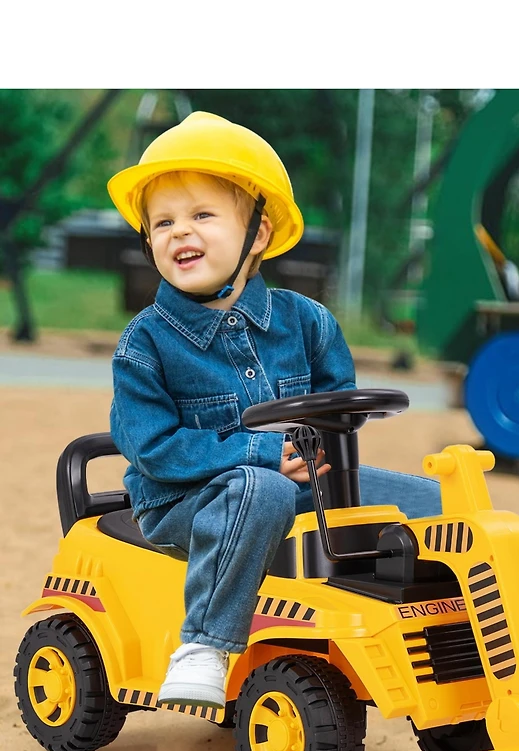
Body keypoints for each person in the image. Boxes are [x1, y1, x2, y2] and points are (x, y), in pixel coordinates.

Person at [107, 111, 441, 710]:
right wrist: (260, 453)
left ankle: (450, 644)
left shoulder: (308, 322)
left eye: (202, 215)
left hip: (298, 485)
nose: (179, 232)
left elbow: (339, 407)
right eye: (162, 222)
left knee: (432, 503)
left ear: (258, 233)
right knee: (256, 491)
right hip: (185, 503)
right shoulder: (146, 343)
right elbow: (152, 448)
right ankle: (205, 645)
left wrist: (318, 459)